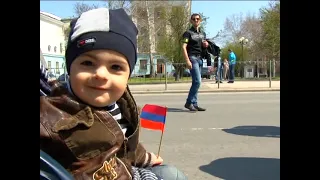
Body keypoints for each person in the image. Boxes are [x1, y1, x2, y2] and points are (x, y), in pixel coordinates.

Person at [40, 8, 187, 180]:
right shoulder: (59, 119)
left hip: (126, 166)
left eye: (115, 67)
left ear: (128, 75)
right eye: (88, 63)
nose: (101, 74)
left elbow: (126, 143)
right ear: (70, 68)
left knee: (172, 173)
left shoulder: (121, 103)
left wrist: (145, 158)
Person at [182, 13, 208, 111]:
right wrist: (187, 60)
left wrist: (205, 45)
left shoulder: (202, 33)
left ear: (200, 20)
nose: (196, 20)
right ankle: (189, 102)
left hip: (200, 58)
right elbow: (183, 47)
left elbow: (203, 46)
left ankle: (194, 103)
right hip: (192, 58)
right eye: (194, 19)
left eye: (197, 19)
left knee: (196, 82)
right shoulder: (188, 33)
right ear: (191, 21)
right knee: (198, 81)